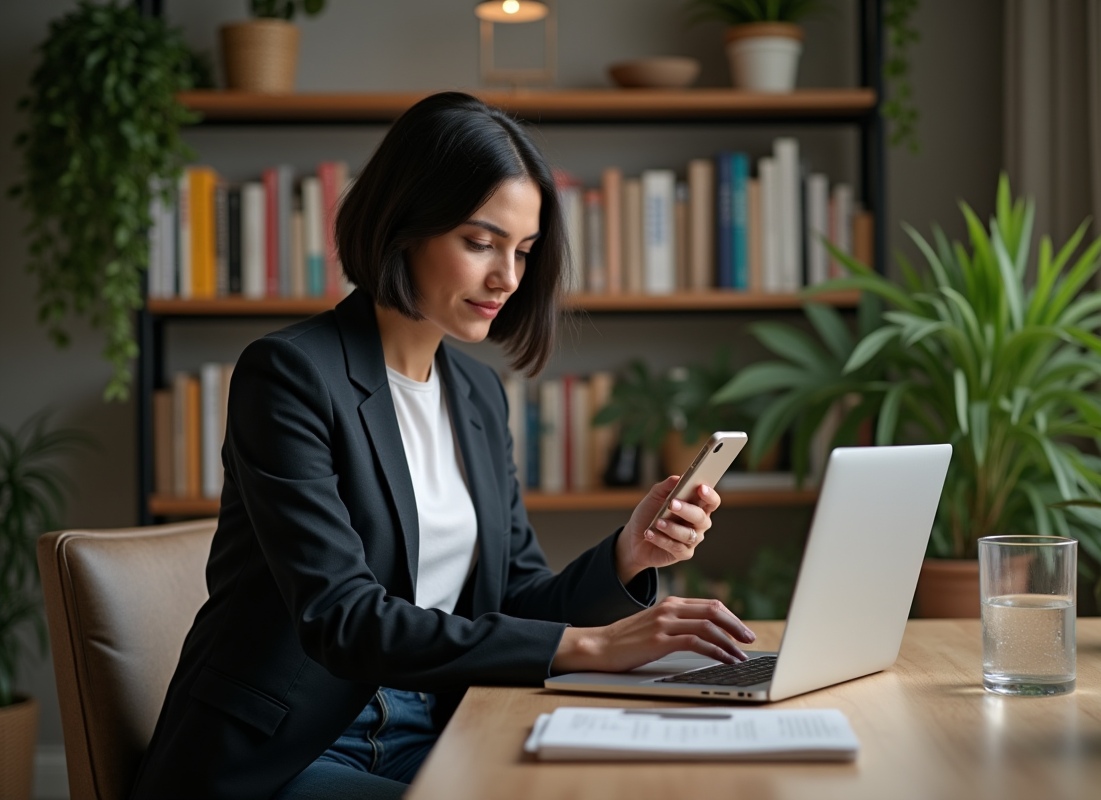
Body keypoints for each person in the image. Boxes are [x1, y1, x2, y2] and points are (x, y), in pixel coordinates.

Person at [130, 92, 755, 800]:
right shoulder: (289, 376)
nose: (508, 278)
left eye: (522, 251)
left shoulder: (479, 396)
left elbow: (516, 598)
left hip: (435, 726)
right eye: (480, 242)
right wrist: (594, 645)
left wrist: (627, 556)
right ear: (404, 225)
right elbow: (343, 619)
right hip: (289, 752)